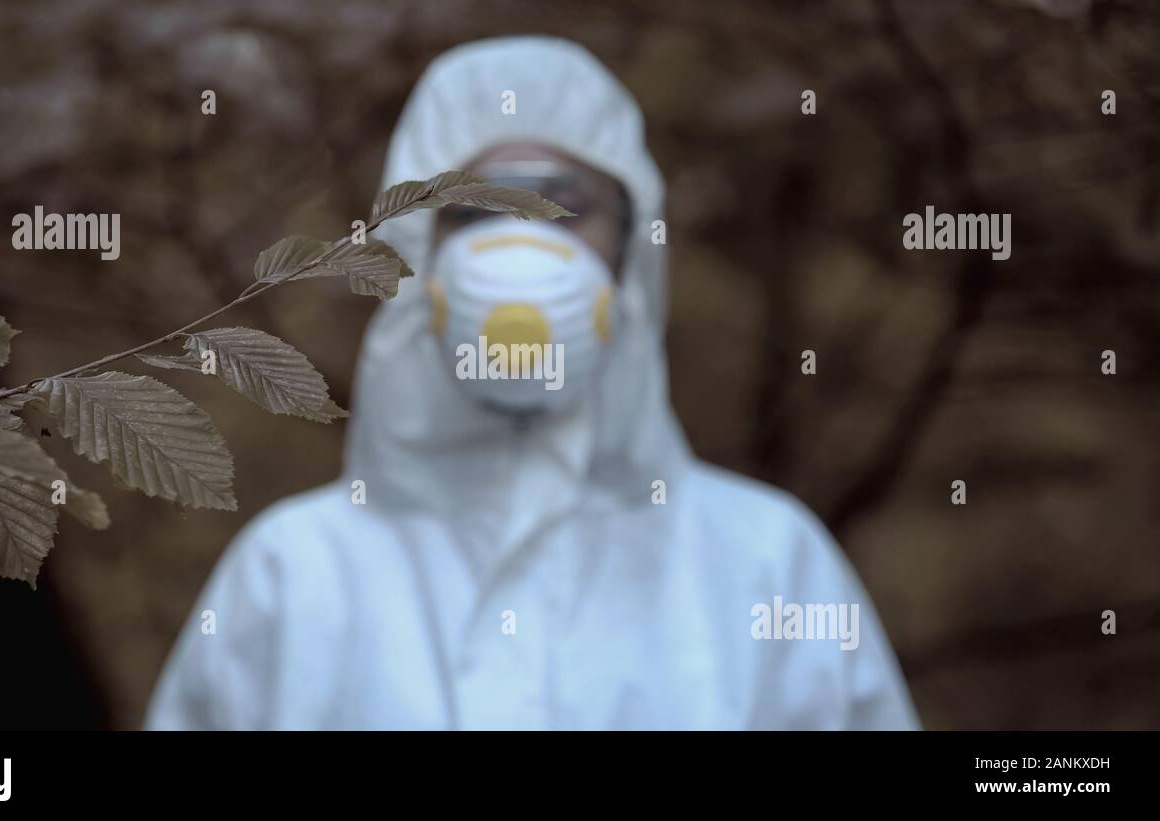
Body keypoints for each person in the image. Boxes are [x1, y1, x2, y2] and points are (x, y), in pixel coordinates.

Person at [144, 36, 919, 730]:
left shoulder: (767, 564)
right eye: (476, 211)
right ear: (419, 258)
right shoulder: (292, 574)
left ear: (628, 257)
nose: (519, 245)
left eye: (564, 207)